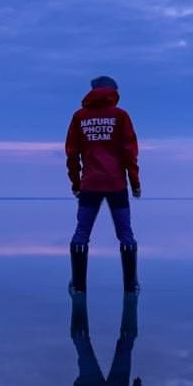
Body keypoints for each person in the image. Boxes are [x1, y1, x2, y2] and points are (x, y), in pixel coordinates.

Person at [65, 75, 141, 294]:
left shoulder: (80, 117)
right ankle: (131, 286)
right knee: (125, 234)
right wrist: (135, 183)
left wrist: (76, 182)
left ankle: (78, 286)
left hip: (89, 185)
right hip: (117, 184)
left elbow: (72, 154)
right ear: (113, 91)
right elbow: (130, 153)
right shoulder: (120, 116)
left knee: (81, 233)